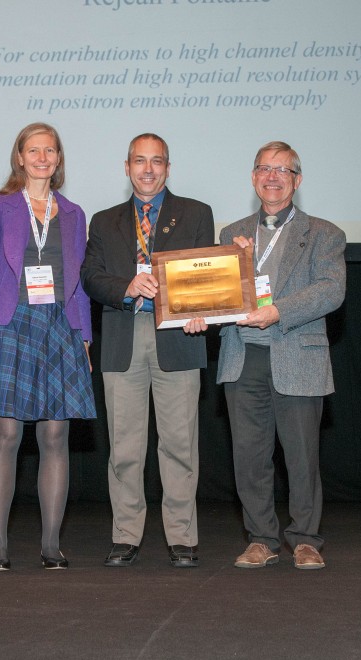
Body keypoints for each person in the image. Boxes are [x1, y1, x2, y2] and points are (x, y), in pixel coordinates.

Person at [202, 140, 345, 570]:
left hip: (297, 354)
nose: (272, 176)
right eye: (264, 168)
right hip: (242, 357)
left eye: (282, 170)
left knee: (301, 456)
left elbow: (330, 290)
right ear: (253, 178)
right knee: (249, 457)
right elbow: (220, 296)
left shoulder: (324, 233)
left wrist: (278, 311)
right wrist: (198, 314)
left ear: (296, 180)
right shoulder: (232, 235)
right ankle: (261, 537)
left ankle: (304, 539)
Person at [81, 133, 214, 568]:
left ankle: (182, 535)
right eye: (140, 161)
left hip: (178, 337)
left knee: (179, 443)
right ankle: (126, 534)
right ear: (127, 167)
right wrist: (125, 287)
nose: (149, 169)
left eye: (157, 161)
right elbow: (89, 277)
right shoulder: (103, 221)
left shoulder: (195, 213)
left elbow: (204, 275)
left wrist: (201, 311)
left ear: (168, 168)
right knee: (124, 446)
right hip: (123, 336)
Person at [0, 122, 96, 572]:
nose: (42, 157)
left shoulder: (74, 213)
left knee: (55, 435)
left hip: (59, 326)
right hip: (9, 324)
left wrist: (84, 338)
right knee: (5, 434)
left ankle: (50, 545)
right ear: (19, 157)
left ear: (58, 158)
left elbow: (77, 284)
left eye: (50, 150)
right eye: (33, 150)